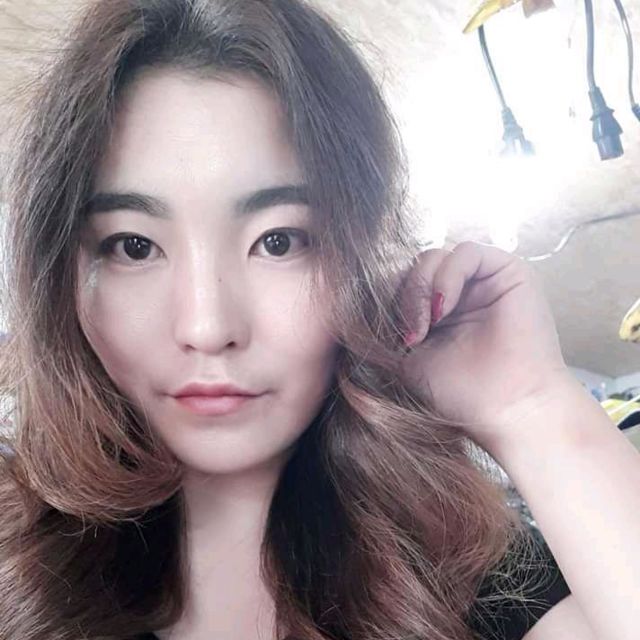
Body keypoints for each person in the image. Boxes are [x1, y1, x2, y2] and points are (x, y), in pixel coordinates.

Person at [0, 1, 638, 639]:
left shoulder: (470, 577)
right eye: (135, 246)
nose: (206, 326)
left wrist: (531, 407)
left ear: (364, 257)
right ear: (60, 274)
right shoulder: (16, 569)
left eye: (278, 242)